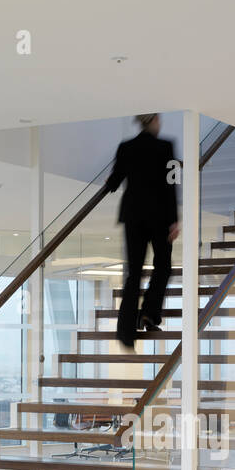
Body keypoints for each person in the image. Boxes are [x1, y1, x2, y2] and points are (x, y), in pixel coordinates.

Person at [105, 114, 180, 347]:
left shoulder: (126, 147)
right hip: (159, 218)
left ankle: (126, 334)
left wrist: (117, 178)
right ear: (154, 121)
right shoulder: (166, 147)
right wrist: (174, 220)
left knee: (134, 274)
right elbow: (171, 185)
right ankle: (149, 313)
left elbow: (114, 182)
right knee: (163, 267)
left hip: (133, 217)